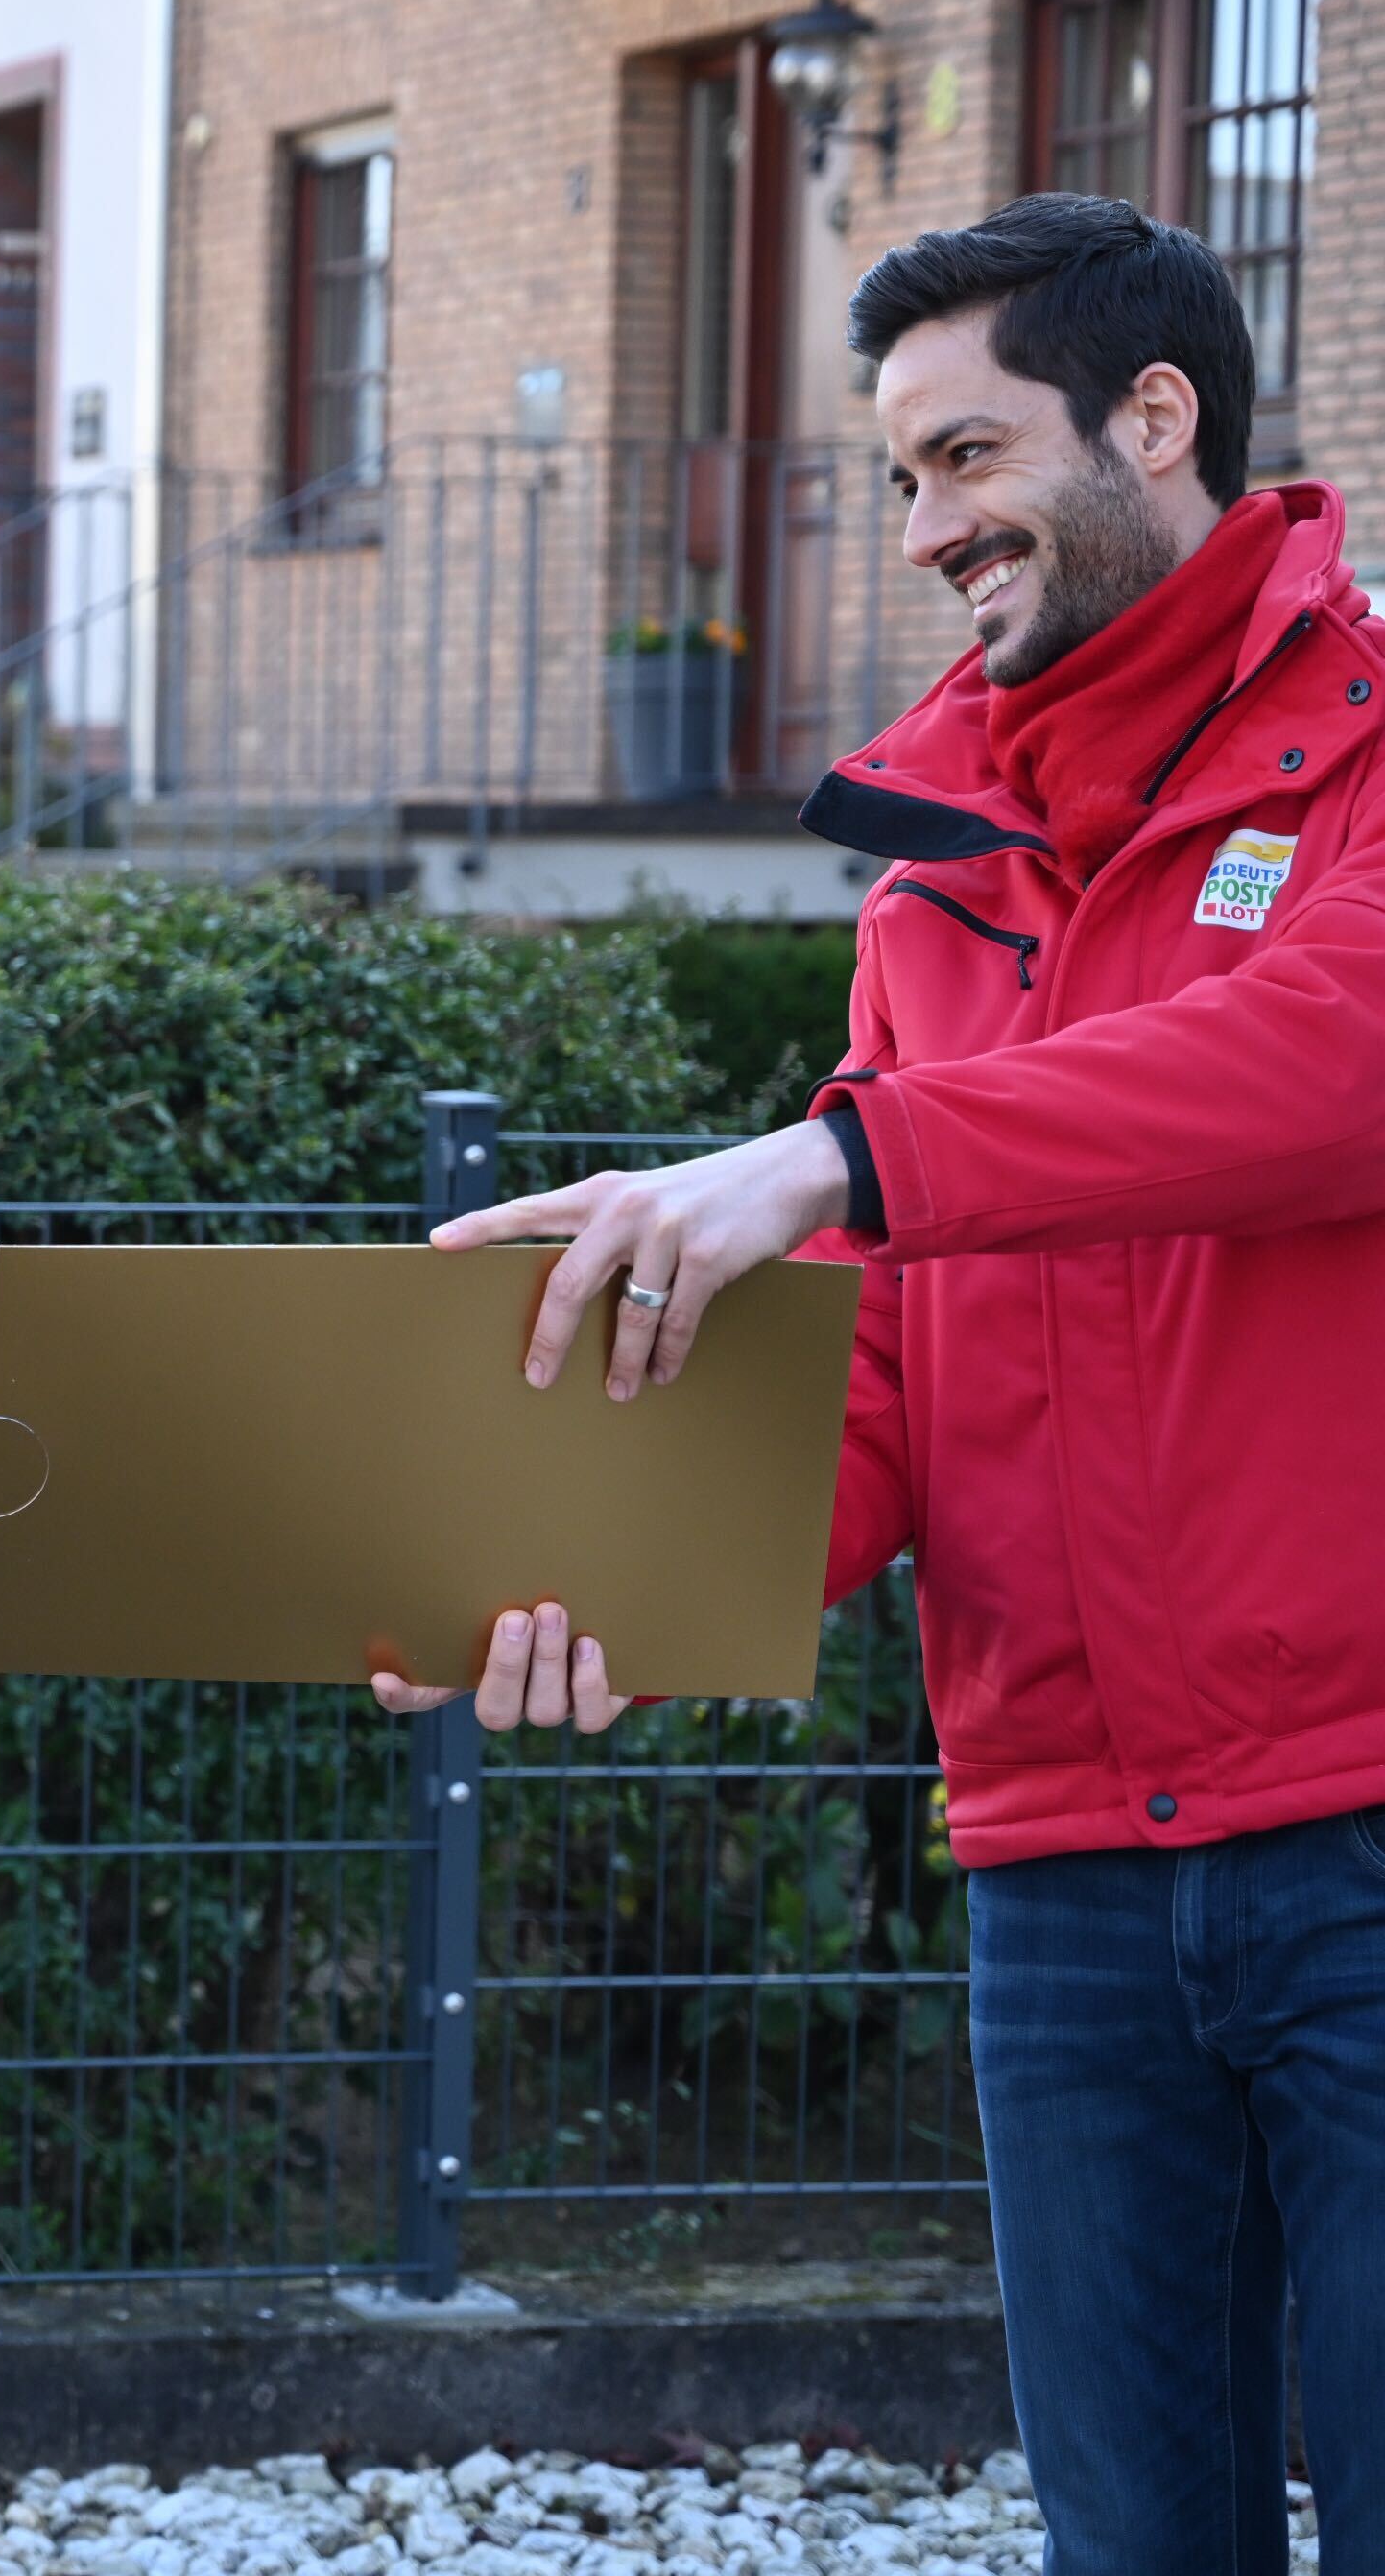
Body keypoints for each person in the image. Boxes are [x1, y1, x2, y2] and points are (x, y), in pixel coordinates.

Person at [377, 196, 1384, 2564]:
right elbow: (890, 1379)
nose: (925, 529)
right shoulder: (938, 879)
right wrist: (601, 1589)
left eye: (967, 457)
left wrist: (839, 1154)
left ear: (1157, 417)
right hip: (1065, 1874)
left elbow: (1323, 1063)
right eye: (901, 477)